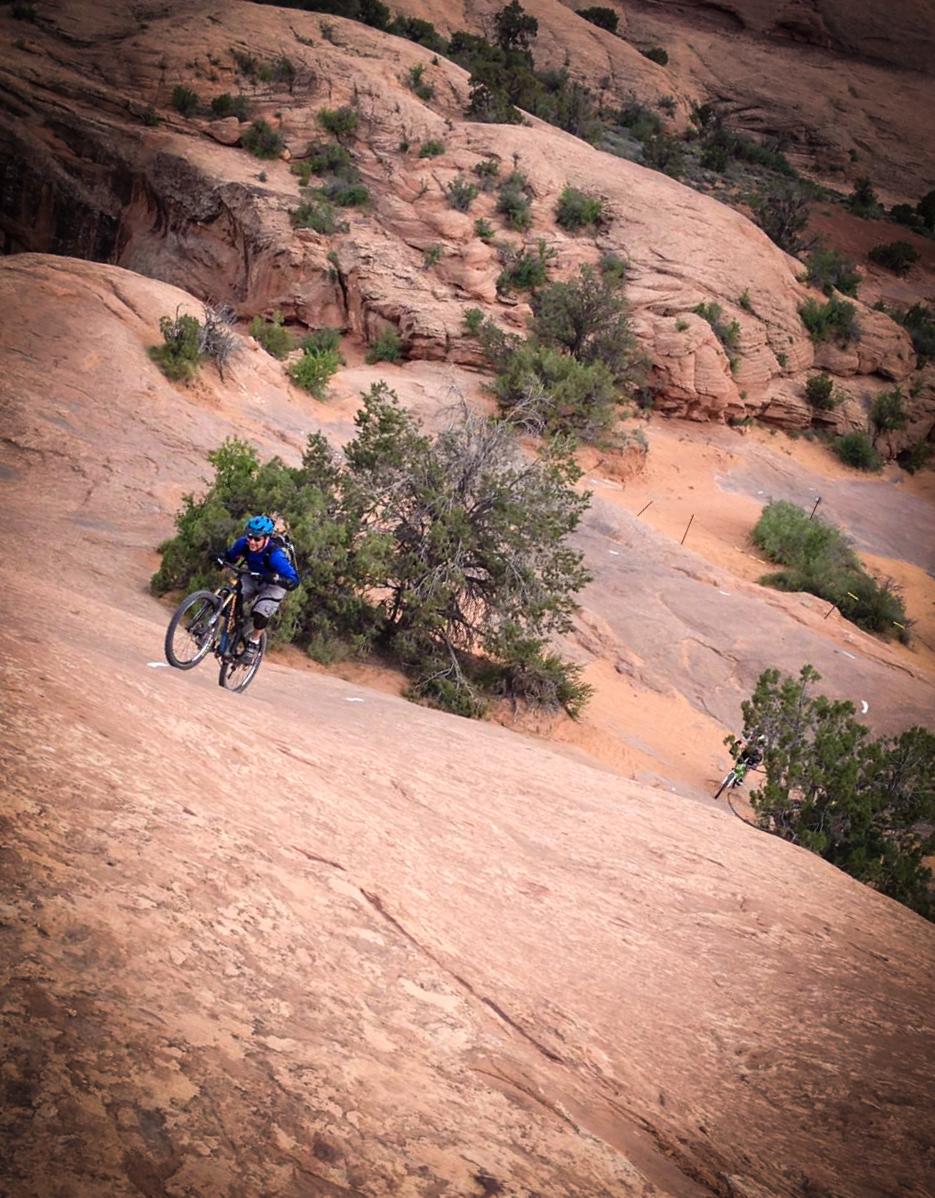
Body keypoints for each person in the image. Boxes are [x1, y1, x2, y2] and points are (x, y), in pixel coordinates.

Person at [222, 515, 299, 663]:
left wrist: (277, 578)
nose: (252, 542)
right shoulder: (243, 544)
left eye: (257, 539)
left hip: (274, 584)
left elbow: (294, 580)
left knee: (260, 612)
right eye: (250, 537)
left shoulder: (276, 555)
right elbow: (231, 557)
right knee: (231, 599)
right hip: (252, 576)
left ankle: (254, 643)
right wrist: (220, 559)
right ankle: (232, 630)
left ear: (266, 538)